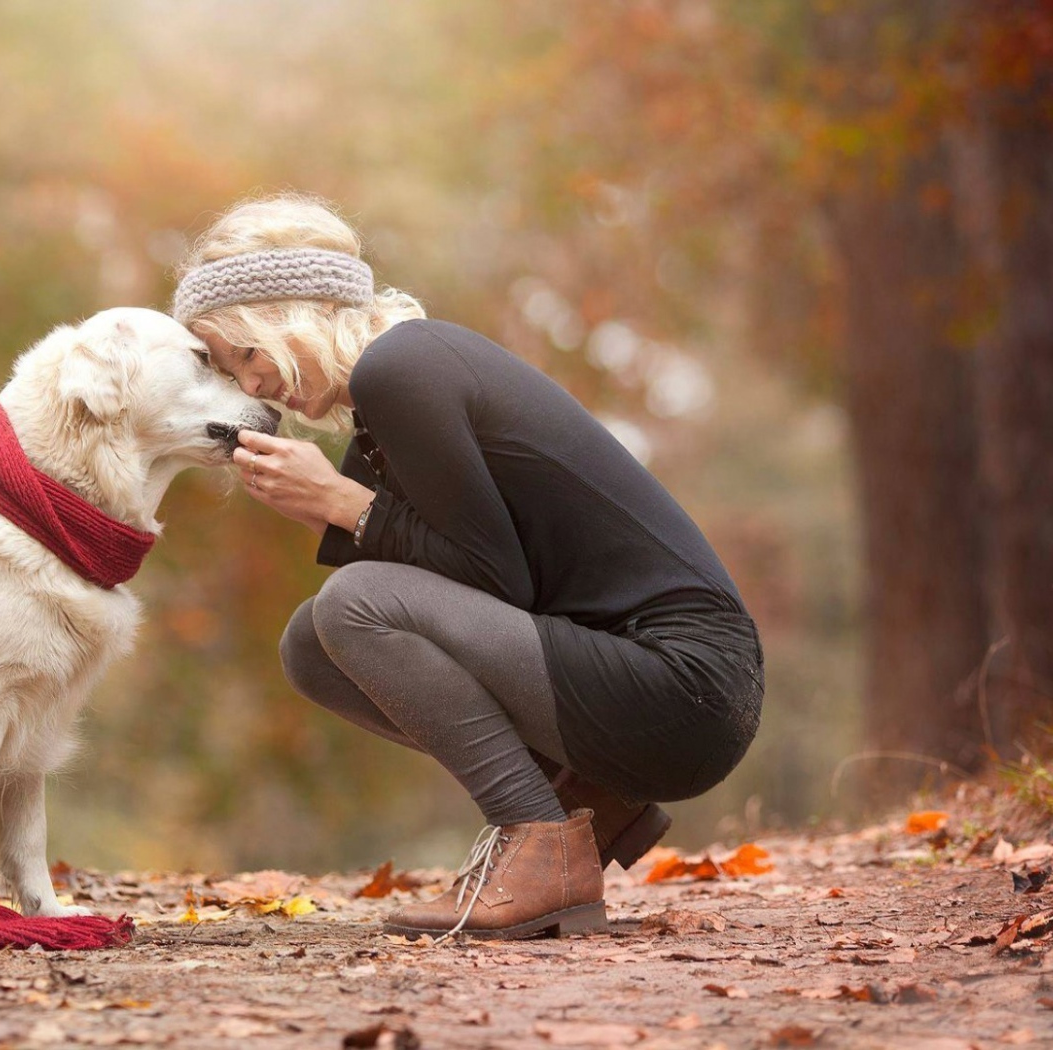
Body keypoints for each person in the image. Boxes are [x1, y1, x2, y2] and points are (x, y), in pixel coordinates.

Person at [170, 194, 764, 939]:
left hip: (682, 687)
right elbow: (479, 581)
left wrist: (344, 502)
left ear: (289, 314)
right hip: (651, 686)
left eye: (246, 355)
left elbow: (494, 582)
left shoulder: (404, 368)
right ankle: (584, 803)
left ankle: (539, 840)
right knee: (312, 645)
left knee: (353, 603)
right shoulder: (390, 393)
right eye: (232, 372)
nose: (251, 387)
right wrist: (338, 503)